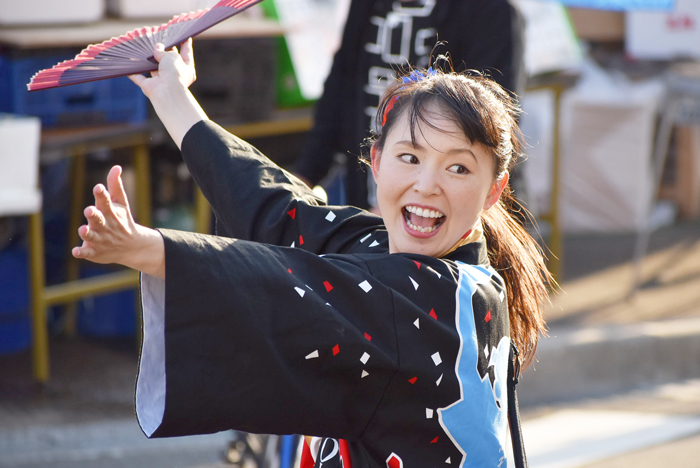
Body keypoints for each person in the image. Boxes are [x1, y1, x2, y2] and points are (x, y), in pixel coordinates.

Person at [72, 39, 550, 467]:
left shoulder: (439, 297)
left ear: (495, 190)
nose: (427, 185)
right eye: (410, 157)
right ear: (376, 163)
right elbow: (282, 211)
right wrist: (172, 96)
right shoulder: (391, 251)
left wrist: (149, 248)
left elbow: (286, 284)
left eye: (459, 169)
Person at [294, 0, 525, 210]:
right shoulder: (368, 6)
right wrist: (303, 177)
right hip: (372, 203)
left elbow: (488, 128)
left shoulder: (490, 11)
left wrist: (394, 211)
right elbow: (339, 90)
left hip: (452, 216)